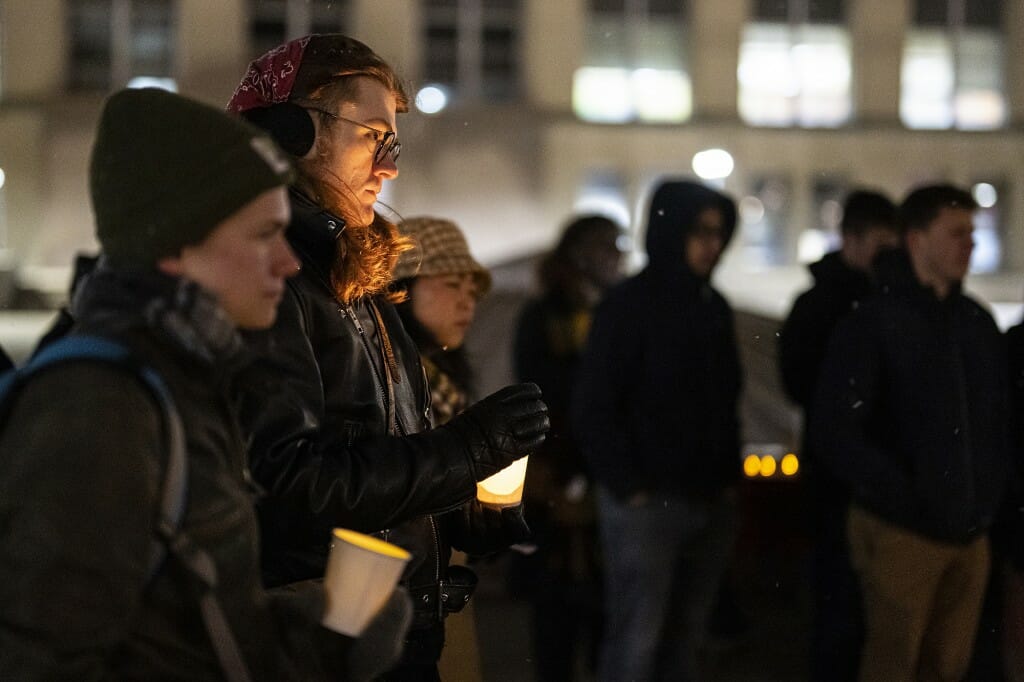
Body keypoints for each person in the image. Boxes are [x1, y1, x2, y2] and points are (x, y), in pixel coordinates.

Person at [0, 87, 409, 680]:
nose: (289, 262)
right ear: (174, 246)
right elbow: (42, 659)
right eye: (263, 234)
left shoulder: (186, 376)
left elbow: (179, 631)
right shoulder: (100, 408)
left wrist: (313, 639)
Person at [226, 35, 547, 680]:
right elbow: (297, 487)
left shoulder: (360, 282)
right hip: (323, 647)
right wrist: (468, 450)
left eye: (393, 143)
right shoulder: (270, 282)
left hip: (391, 637)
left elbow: (387, 451)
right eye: (376, 136)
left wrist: (474, 508)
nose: (390, 166)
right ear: (294, 132)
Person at [810, 184, 1010, 682]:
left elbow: (995, 420)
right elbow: (836, 429)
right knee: (893, 663)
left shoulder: (975, 323)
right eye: (957, 232)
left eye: (972, 232)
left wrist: (984, 496)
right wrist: (906, 494)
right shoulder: (876, 322)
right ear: (917, 240)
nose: (970, 245)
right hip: (904, 530)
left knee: (947, 665)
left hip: (967, 530)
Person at [572, 179, 742, 682]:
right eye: (700, 232)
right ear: (673, 233)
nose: (711, 245)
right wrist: (630, 486)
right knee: (637, 640)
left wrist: (727, 481)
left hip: (706, 498)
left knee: (684, 638)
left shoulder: (714, 308)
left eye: (718, 233)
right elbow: (594, 404)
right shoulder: (628, 307)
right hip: (646, 506)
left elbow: (724, 401)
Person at [777, 189, 899, 680]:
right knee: (839, 608)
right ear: (851, 240)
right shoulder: (820, 305)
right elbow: (798, 382)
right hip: (836, 480)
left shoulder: (889, 301)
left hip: (873, 480)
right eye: (879, 244)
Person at [512, 214, 623, 681]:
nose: (618, 257)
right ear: (581, 254)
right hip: (557, 471)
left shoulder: (618, 312)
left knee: (605, 606)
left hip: (608, 473)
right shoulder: (543, 316)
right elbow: (542, 390)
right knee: (556, 599)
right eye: (608, 247)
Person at [391, 216, 494, 681]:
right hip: (406, 577)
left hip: (440, 572)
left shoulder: (443, 375)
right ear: (403, 285)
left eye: (472, 292)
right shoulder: (395, 375)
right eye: (451, 284)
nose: (466, 302)